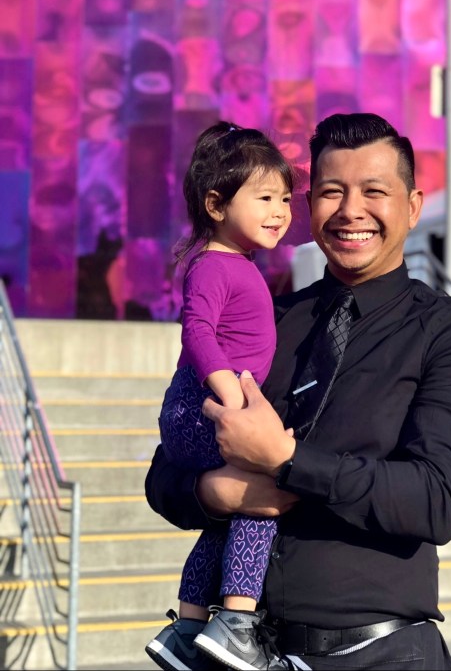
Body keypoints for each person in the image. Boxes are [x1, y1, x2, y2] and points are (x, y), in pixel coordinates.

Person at [146, 112, 451, 670]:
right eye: (331, 192)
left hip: (384, 654)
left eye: (374, 191)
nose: (351, 211)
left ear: (412, 206)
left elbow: (436, 501)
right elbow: (165, 474)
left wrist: (285, 460)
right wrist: (219, 493)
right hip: (251, 651)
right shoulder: (267, 317)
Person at [145, 122, 296, 671]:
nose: (280, 210)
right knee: (261, 499)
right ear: (215, 203)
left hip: (198, 410)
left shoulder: (238, 263)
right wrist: (231, 396)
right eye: (264, 197)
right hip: (200, 409)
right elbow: (197, 331)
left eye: (283, 198)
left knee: (224, 520)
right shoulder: (214, 264)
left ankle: (187, 630)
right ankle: (235, 622)